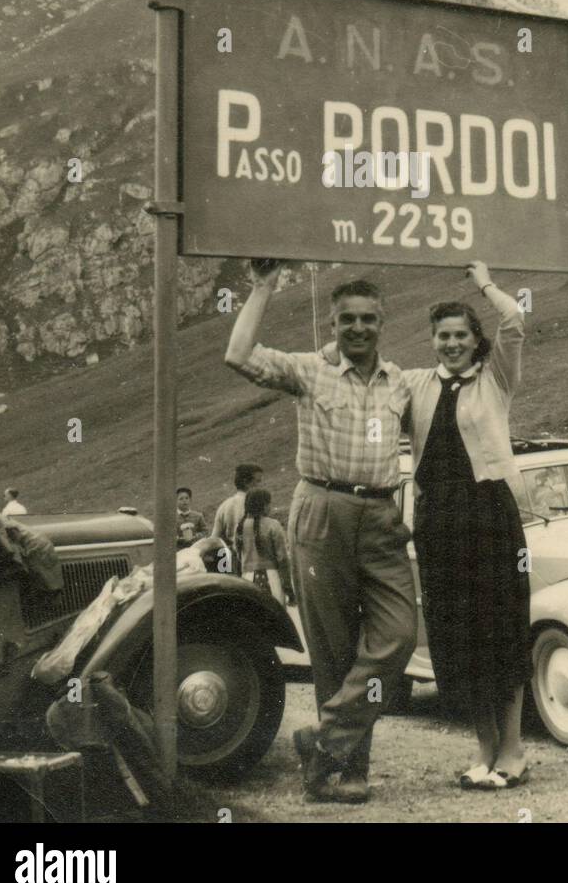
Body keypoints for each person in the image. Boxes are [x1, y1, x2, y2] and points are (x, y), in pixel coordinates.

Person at [225, 259, 416, 805]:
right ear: (332, 324)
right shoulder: (309, 370)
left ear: (383, 322)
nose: (358, 328)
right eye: (347, 319)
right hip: (321, 510)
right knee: (333, 651)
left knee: (397, 634)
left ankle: (322, 740)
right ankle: (342, 771)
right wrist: (263, 287)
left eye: (369, 319)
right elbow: (238, 355)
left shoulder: (400, 380)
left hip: (381, 517)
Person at [403, 260, 531, 792]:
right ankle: (483, 749)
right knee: (459, 637)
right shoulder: (414, 383)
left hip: (489, 515)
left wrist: (483, 281)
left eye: (461, 335)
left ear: (477, 340)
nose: (452, 343)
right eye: (443, 336)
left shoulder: (496, 378)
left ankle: (514, 750)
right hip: (437, 521)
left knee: (501, 629)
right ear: (432, 341)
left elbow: (517, 318)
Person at [236, 488, 295, 606]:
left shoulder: (240, 527)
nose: (270, 507)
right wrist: (288, 588)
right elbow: (282, 558)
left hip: (247, 580)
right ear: (263, 505)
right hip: (272, 580)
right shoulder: (273, 525)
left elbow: (238, 557)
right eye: (269, 503)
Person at [212, 463, 263, 565]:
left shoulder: (224, 505)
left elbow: (214, 539)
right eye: (258, 481)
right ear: (246, 482)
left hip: (227, 561)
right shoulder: (255, 504)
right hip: (250, 561)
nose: (261, 486)